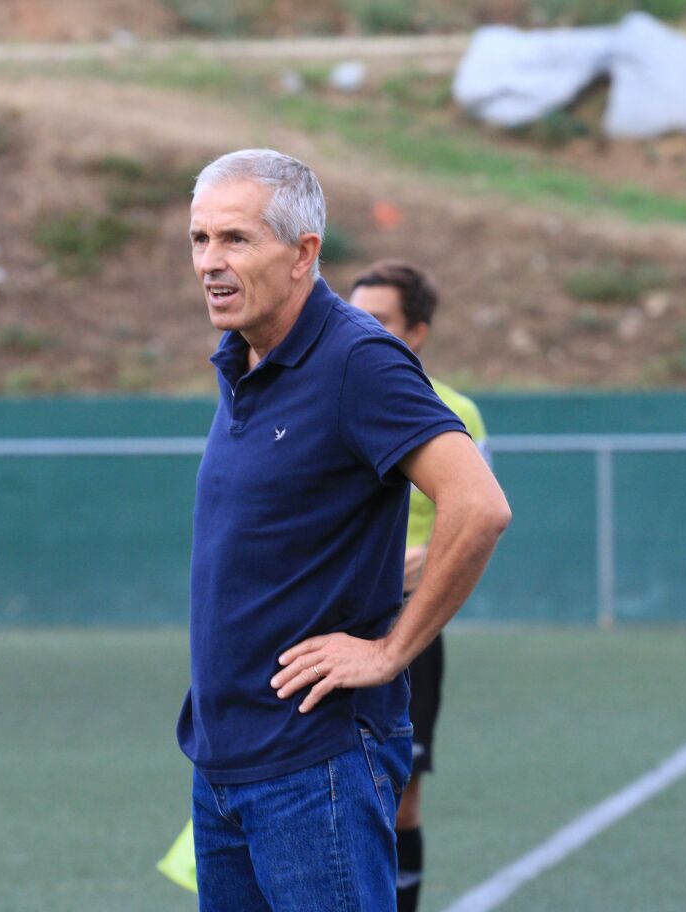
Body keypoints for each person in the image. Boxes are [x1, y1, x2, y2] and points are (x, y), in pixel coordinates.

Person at [178, 148, 510, 912]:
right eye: (200, 240)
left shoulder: (358, 359)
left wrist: (391, 651)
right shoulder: (244, 360)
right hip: (225, 763)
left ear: (303, 255)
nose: (210, 263)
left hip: (314, 766)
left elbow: (480, 505)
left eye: (235, 239)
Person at [350, 261, 490, 912]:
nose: (359, 330)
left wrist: (427, 555)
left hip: (407, 623)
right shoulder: (325, 397)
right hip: (323, 617)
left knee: (400, 785)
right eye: (353, 315)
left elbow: (480, 515)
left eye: (378, 320)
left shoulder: (453, 411)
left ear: (418, 333)